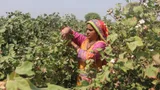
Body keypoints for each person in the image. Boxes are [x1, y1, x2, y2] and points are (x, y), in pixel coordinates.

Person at [61, 19, 109, 86]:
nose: (87, 32)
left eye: (90, 30)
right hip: (81, 81)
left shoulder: (101, 44)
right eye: (87, 29)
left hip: (94, 83)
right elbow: (74, 34)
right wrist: (67, 30)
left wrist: (75, 46)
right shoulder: (85, 41)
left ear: (98, 32)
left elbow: (88, 57)